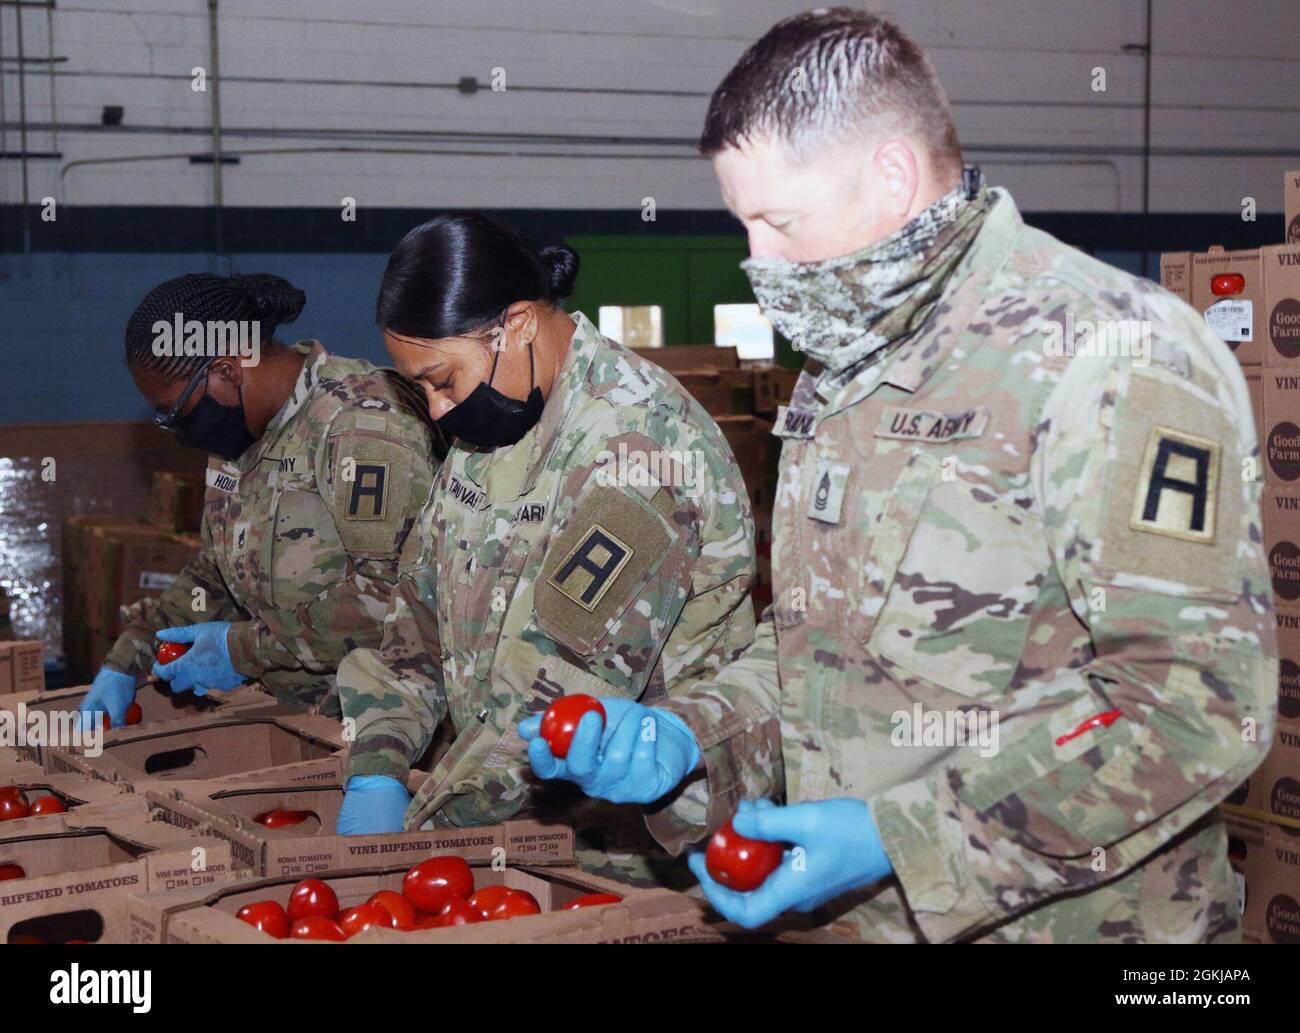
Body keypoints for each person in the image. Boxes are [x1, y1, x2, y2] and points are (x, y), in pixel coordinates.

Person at [520, 8, 1277, 942]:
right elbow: (821, 658)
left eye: (779, 221)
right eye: (743, 224)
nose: (759, 259)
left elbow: (1190, 705)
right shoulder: (846, 373)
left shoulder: (1111, 356)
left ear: (891, 173)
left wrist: (907, 837)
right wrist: (692, 737)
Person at [334, 213, 756, 885]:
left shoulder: (637, 449)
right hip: (516, 831)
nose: (437, 411)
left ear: (519, 324)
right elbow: (414, 631)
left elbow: (554, 696)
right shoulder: (492, 428)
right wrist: (378, 763)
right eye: (420, 387)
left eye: (443, 379)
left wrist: (403, 855)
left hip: (635, 855)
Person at [79, 272, 440, 724]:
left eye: (176, 413)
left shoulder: (358, 425)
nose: (176, 431)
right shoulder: (241, 439)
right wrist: (130, 653)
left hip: (384, 727)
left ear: (226, 372)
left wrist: (243, 649)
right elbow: (216, 577)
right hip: (299, 720)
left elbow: (396, 595)